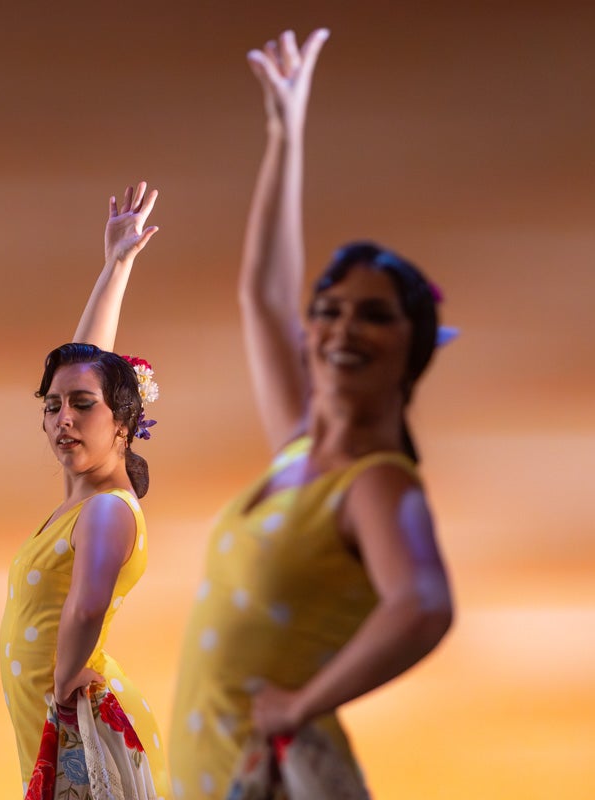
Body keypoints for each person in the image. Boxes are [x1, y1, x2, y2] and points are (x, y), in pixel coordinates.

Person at [167, 31, 454, 799]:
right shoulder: (298, 454)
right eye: (327, 310)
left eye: (373, 316)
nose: (340, 328)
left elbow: (423, 605)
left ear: (412, 349)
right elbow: (262, 298)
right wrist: (284, 134)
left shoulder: (376, 486)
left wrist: (302, 703)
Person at [0, 183, 171, 798]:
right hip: (54, 718)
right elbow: (88, 365)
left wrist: (62, 696)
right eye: (51, 407)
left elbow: (86, 607)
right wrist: (115, 266)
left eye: (80, 407)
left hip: (76, 720)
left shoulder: (105, 513)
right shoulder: (83, 503)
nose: (62, 419)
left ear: (123, 423)